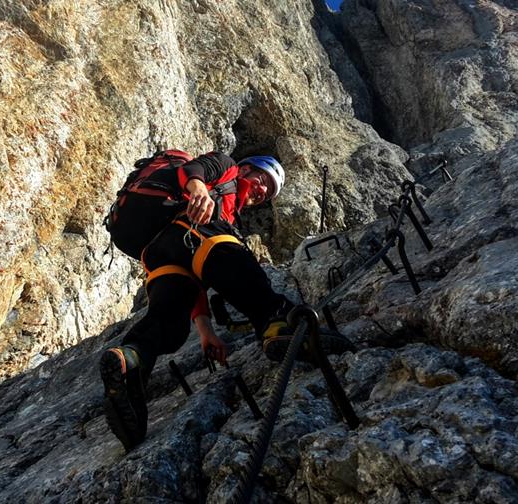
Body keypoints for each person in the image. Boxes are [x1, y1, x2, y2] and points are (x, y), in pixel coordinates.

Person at [99, 152, 351, 451]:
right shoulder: (227, 168)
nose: (262, 191)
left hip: (158, 250)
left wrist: (205, 330)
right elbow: (195, 169)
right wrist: (199, 190)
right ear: (246, 168)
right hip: (189, 228)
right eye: (263, 180)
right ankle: (277, 323)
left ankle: (131, 361)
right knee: (236, 259)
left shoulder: (227, 206)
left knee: (168, 322)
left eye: (268, 192)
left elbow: (197, 286)